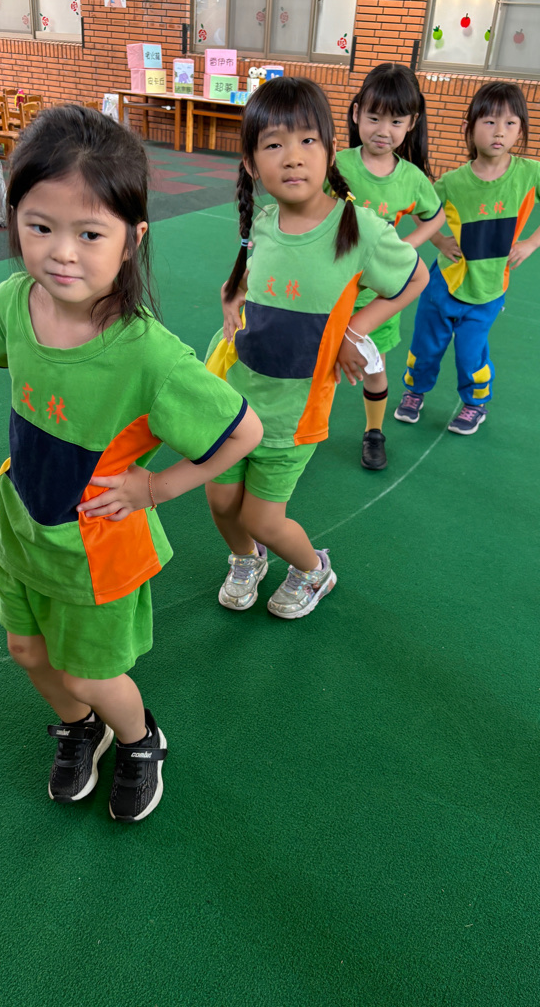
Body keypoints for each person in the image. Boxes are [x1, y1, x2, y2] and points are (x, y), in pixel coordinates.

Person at [0, 106, 262, 822]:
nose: (61, 253)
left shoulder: (149, 355)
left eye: (89, 233)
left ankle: (140, 740)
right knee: (27, 650)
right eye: (40, 226)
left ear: (133, 238)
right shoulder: (11, 301)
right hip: (21, 526)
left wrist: (157, 485)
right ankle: (81, 729)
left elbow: (243, 431)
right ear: (14, 218)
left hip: (95, 550)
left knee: (90, 672)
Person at [205, 76, 428, 620]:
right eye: (273, 144)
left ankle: (313, 570)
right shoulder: (262, 220)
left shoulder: (361, 229)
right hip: (233, 398)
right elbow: (249, 270)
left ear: (330, 150)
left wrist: (354, 331)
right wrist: (232, 293)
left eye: (307, 140)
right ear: (251, 164)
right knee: (221, 501)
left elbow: (415, 278)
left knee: (262, 518)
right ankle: (246, 559)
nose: (293, 156)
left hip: (293, 414)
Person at [394, 81, 540, 435]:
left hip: (489, 289)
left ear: (521, 130)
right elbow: (421, 208)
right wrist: (439, 241)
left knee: (471, 354)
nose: (499, 132)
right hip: (443, 284)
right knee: (425, 346)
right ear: (470, 127)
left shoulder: (529, 173)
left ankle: (475, 404)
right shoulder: (452, 182)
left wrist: (531, 243)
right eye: (489, 122)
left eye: (510, 123)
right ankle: (414, 393)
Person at [333, 63, 445, 470]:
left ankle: (374, 432)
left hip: (381, 298)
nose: (384, 129)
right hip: (332, 291)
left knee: (374, 369)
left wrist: (405, 246)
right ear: (356, 113)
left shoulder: (412, 178)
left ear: (411, 123)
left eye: (396, 121)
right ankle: (300, 426)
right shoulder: (336, 164)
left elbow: (435, 216)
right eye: (374, 117)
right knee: (317, 366)